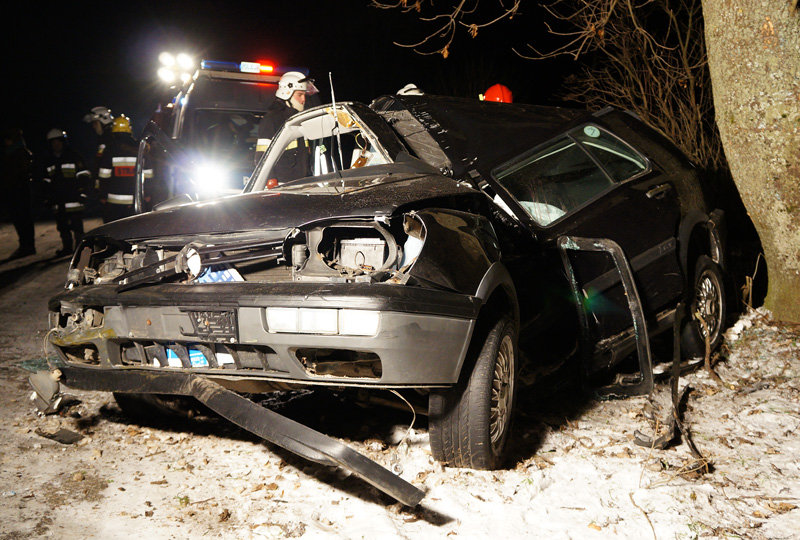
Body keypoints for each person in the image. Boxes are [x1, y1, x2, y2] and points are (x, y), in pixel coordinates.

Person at [254, 71, 318, 179]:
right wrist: (270, 179)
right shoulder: (272, 119)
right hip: (281, 184)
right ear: (286, 93)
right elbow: (262, 155)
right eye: (300, 95)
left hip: (301, 182)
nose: (303, 99)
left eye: (304, 95)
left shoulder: (299, 119)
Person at [42, 129, 91, 256]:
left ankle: (79, 250)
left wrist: (82, 193)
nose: (56, 145)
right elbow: (46, 181)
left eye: (58, 142)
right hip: (59, 201)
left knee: (77, 227)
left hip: (74, 199)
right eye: (53, 143)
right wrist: (48, 197)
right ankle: (67, 248)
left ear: (64, 142)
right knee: (62, 227)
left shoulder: (74, 156)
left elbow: (84, 176)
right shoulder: (48, 160)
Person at [97, 115, 141, 223]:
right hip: (135, 199)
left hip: (114, 203)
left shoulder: (110, 149)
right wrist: (148, 193)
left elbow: (104, 175)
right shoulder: (139, 147)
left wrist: (102, 195)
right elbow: (148, 173)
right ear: (129, 129)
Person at [1, 127, 35, 258]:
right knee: (19, 218)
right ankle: (25, 245)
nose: (5, 142)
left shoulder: (19, 153)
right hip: (15, 189)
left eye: (8, 140)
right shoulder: (11, 153)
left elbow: (20, 173)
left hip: (20, 190)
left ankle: (27, 246)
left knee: (23, 218)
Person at [82, 106, 114, 179]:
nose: (93, 126)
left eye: (95, 123)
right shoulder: (105, 139)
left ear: (104, 121)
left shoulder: (109, 140)